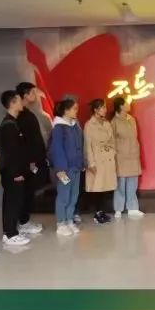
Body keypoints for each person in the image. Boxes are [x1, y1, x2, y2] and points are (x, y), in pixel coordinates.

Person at [0, 90, 32, 247]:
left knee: (17, 201)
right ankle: (9, 233)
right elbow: (10, 152)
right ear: (12, 103)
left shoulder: (14, 122)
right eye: (19, 100)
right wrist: (16, 172)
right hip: (12, 173)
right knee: (12, 202)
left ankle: (13, 230)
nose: (22, 103)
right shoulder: (8, 125)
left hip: (17, 171)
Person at [49, 98, 86, 236]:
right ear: (66, 110)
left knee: (73, 196)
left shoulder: (75, 126)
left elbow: (80, 146)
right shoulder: (58, 128)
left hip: (76, 167)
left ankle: (69, 220)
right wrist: (60, 169)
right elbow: (57, 149)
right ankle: (61, 223)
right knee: (63, 196)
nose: (77, 111)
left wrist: (82, 163)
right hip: (65, 169)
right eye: (74, 109)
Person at [15, 82, 47, 235]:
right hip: (28, 162)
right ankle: (22, 222)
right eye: (33, 93)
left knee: (30, 191)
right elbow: (25, 141)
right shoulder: (21, 115)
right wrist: (31, 161)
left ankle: (25, 219)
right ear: (25, 95)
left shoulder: (27, 112)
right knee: (25, 192)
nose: (36, 96)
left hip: (34, 160)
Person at [84, 99, 117, 224]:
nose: (105, 110)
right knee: (96, 187)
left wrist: (112, 151)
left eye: (105, 107)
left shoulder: (107, 123)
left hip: (107, 158)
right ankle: (97, 213)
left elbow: (112, 140)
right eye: (103, 107)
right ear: (96, 110)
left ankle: (102, 211)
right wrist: (91, 163)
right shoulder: (89, 125)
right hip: (97, 159)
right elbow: (87, 145)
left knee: (105, 187)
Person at [112, 97, 143, 218]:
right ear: (121, 106)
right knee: (120, 184)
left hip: (133, 155)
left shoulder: (132, 119)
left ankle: (133, 208)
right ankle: (118, 209)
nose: (129, 104)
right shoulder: (114, 122)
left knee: (132, 183)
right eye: (126, 103)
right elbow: (111, 141)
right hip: (120, 156)